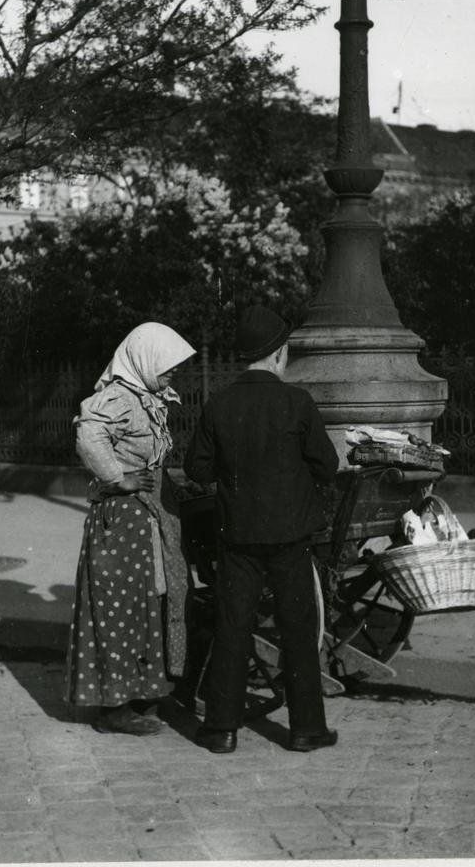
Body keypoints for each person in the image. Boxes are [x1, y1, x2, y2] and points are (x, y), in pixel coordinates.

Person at [184, 305, 339, 754]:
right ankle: (307, 729)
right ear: (279, 354)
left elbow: (197, 468)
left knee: (233, 627)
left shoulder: (219, 404)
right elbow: (327, 467)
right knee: (298, 628)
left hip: (238, 535)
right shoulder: (298, 403)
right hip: (290, 534)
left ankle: (221, 729)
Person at [65, 322, 196, 735]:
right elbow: (88, 435)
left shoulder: (147, 398)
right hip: (122, 520)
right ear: (144, 360)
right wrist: (117, 477)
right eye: (167, 363)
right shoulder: (118, 397)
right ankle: (112, 708)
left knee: (148, 603)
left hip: (145, 517)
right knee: (119, 608)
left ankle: (142, 693)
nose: (174, 370)